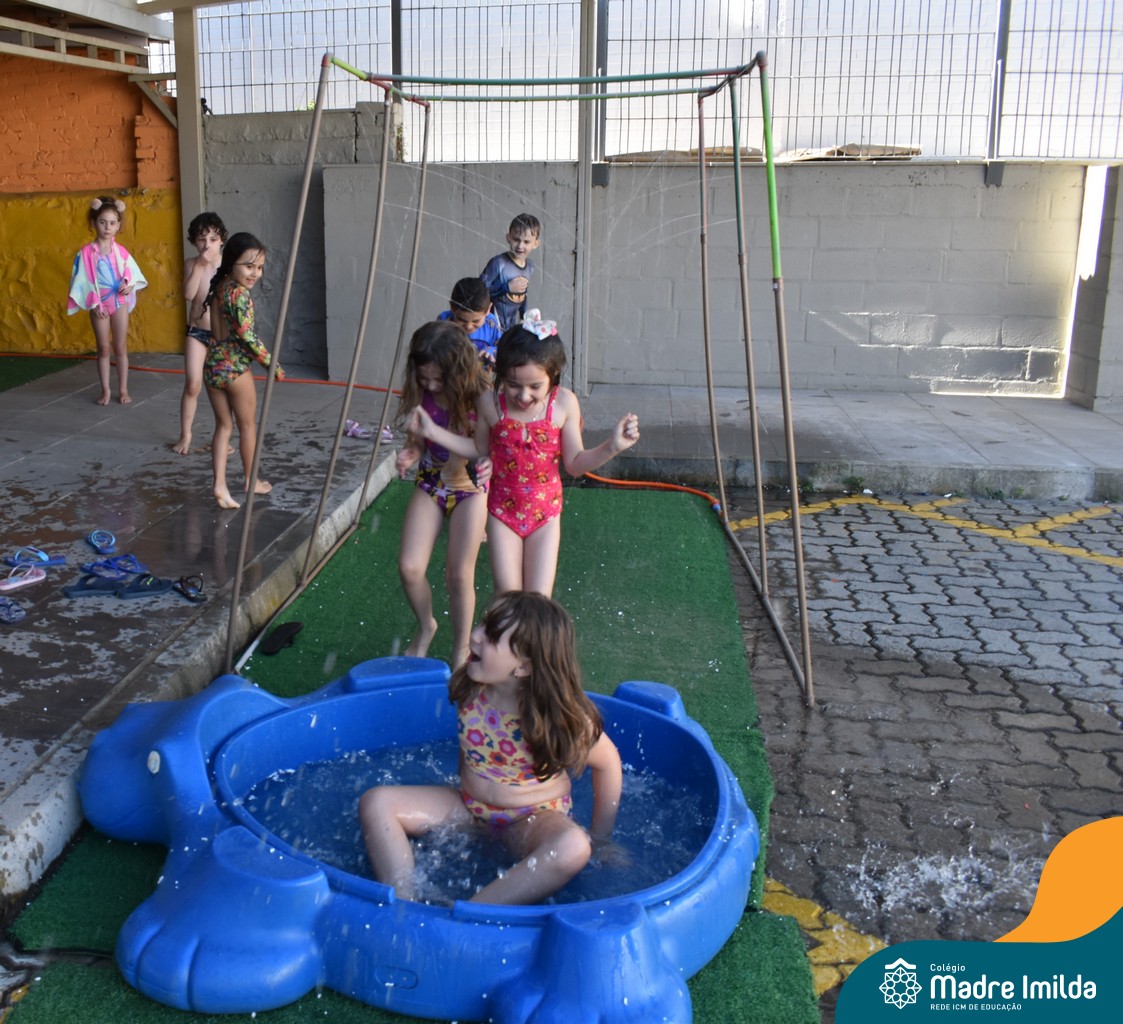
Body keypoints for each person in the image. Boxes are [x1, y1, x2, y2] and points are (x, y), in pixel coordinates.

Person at [359, 591, 622, 905]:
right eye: (483, 623)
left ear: (524, 666)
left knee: (573, 847)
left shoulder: (555, 717)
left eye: (492, 636)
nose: (475, 635)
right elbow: (469, 746)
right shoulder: (473, 689)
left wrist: (601, 837)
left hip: (532, 820)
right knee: (377, 802)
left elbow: (608, 762)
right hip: (470, 809)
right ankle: (405, 902)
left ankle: (474, 911)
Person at [409, 311, 640, 597]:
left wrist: (612, 446)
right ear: (501, 375)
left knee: (538, 597)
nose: (523, 396)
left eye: (535, 386)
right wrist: (432, 431)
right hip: (502, 512)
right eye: (513, 384)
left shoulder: (564, 404)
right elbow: (479, 449)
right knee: (508, 594)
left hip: (546, 514)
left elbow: (574, 464)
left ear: (553, 376)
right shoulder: (490, 403)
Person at [394, 321, 490, 668]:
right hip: (432, 482)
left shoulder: (481, 397)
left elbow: (481, 448)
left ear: (459, 371)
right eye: (425, 379)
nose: (432, 386)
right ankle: (426, 626)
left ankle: (461, 648)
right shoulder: (421, 392)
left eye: (439, 380)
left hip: (471, 490)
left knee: (459, 575)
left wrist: (434, 431)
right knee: (409, 567)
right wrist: (412, 451)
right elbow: (419, 440)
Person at [201, 232, 284, 509]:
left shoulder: (219, 287)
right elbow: (246, 335)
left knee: (224, 426)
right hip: (235, 368)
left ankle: (220, 485)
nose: (255, 273)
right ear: (231, 262)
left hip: (212, 365)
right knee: (247, 426)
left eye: (259, 267)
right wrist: (270, 362)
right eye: (249, 266)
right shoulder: (239, 294)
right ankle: (251, 481)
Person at [67, 196, 148, 405]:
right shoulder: (85, 253)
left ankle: (123, 389)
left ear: (119, 225)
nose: (107, 227)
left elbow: (133, 273)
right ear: (93, 223)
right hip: (98, 306)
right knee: (103, 348)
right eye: (102, 222)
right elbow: (81, 281)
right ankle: (105, 390)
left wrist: (129, 285)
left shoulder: (121, 252)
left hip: (119, 302)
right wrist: (94, 305)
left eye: (112, 223)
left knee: (120, 347)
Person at [173, 212, 228, 454]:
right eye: (202, 240)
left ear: (222, 240)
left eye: (213, 239)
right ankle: (186, 435)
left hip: (220, 336)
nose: (207, 245)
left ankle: (223, 436)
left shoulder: (228, 266)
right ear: (194, 242)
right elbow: (188, 294)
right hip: (196, 333)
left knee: (222, 387)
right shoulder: (192, 264)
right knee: (193, 384)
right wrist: (201, 265)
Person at [479, 213, 540, 330]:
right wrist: (506, 287)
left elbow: (523, 294)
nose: (520, 246)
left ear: (535, 244)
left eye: (526, 242)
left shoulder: (529, 267)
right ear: (508, 238)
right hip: (491, 324)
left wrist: (524, 317)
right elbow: (480, 291)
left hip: (511, 325)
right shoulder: (498, 263)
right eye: (516, 239)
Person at [436, 277, 502, 378]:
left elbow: (502, 347)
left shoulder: (491, 323)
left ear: (488, 310)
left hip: (480, 379)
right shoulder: (444, 321)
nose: (469, 326)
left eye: (476, 321)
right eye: (461, 320)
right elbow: (434, 349)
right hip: (450, 378)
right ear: (452, 307)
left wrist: (491, 351)